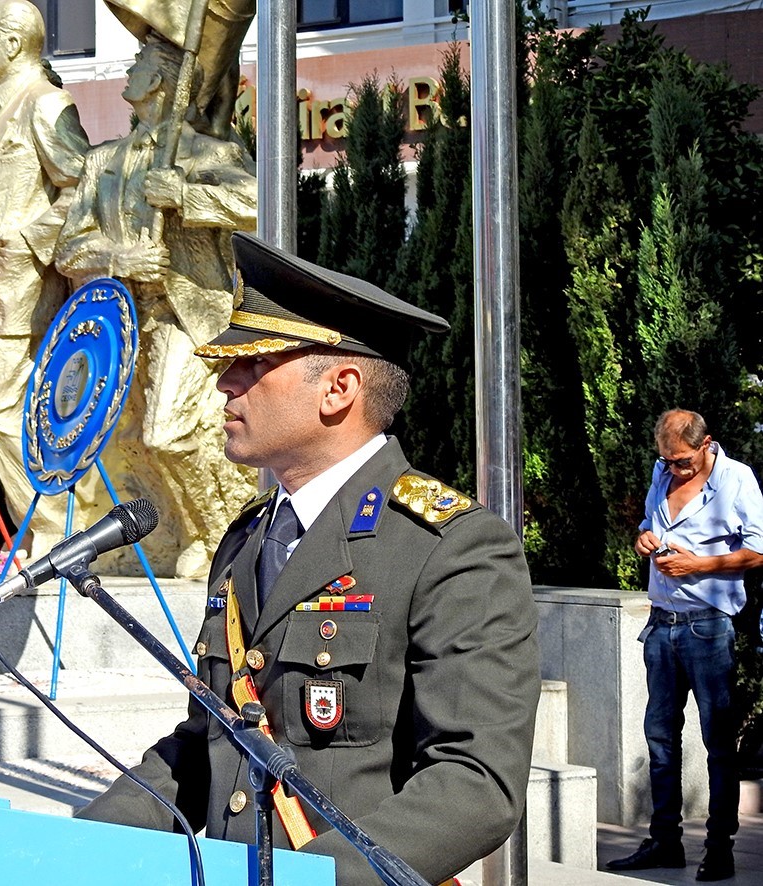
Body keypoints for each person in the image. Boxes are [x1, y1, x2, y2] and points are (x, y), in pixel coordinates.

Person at [75, 232, 542, 886]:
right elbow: (208, 746)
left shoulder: (449, 545)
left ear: (338, 389)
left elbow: (473, 785)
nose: (223, 382)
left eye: (254, 364)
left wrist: (306, 881)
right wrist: (69, 848)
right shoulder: (247, 540)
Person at [54, 34, 258, 580]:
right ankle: (165, 536)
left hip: (185, 314)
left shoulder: (207, 152)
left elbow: (261, 204)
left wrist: (189, 198)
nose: (130, 68)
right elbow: (68, 247)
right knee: (126, 446)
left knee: (167, 431)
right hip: (119, 322)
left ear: (167, 81)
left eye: (141, 62)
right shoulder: (103, 161)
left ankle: (219, 536)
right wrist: (119, 257)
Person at [0, 0, 91, 556]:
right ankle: (34, 534)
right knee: (17, 415)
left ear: (12, 43)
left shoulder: (46, 105)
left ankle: (59, 531)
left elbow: (83, 187)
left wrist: (29, 240)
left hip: (19, 290)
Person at [607, 409, 763, 882]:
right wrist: (643, 537)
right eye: (667, 460)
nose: (674, 469)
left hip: (708, 626)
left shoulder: (737, 479)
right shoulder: (662, 473)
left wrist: (698, 566)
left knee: (718, 740)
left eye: (682, 461)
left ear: (706, 444)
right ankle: (665, 842)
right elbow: (646, 528)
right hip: (661, 624)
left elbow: (758, 551)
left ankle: (720, 848)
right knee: (659, 738)